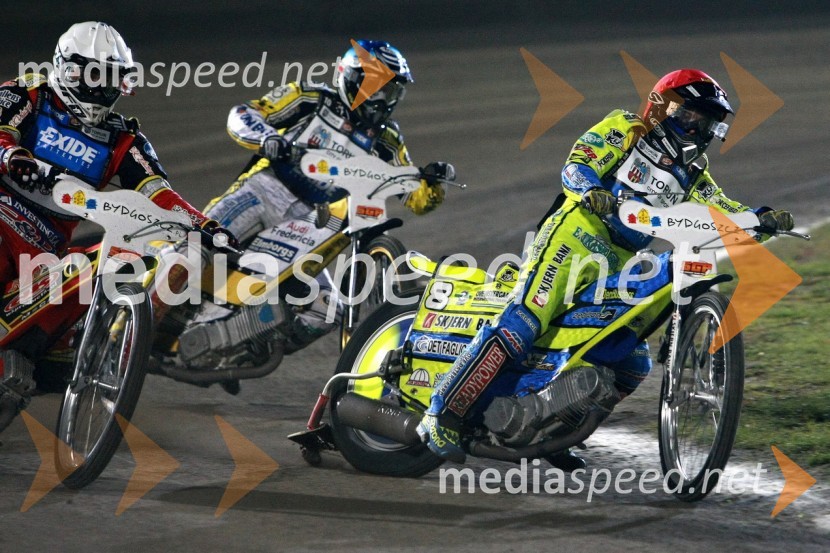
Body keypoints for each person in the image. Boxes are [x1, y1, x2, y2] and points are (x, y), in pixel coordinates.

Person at [417, 69, 795, 466]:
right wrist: (592, 190)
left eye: (708, 123)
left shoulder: (694, 172)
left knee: (630, 360)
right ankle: (442, 410)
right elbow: (575, 167)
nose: (699, 130)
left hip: (616, 261)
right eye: (692, 117)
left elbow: (722, 211)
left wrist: (762, 220)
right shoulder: (626, 128)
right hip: (573, 237)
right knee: (523, 323)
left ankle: (550, 427)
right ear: (664, 108)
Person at [0, 22, 233, 430]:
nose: (102, 88)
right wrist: (12, 157)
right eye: (94, 76)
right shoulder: (27, 93)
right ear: (69, 70)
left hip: (45, 245)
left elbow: (161, 194)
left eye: (111, 77)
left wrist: (205, 224)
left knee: (85, 283)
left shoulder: (125, 140)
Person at [206, 39, 454, 352]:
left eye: (392, 91)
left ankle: (246, 350)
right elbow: (244, 113)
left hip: (312, 221)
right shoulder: (310, 97)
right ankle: (132, 317)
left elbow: (414, 197)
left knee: (327, 311)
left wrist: (433, 184)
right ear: (353, 79)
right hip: (265, 188)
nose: (385, 100)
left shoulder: (387, 138)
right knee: (196, 242)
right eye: (380, 88)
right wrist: (266, 138)